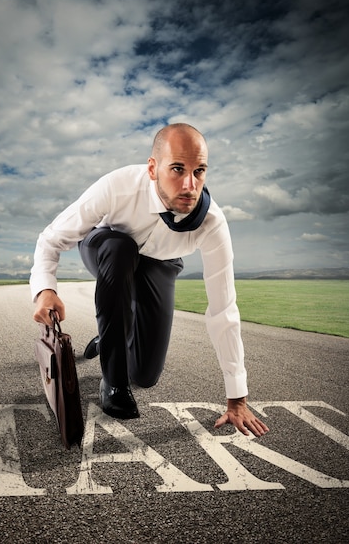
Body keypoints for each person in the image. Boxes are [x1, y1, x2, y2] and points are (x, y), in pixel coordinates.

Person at [31, 123, 269, 437]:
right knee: (121, 249)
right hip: (107, 247)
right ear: (153, 168)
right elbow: (51, 239)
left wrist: (237, 398)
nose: (189, 185)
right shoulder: (117, 186)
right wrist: (45, 290)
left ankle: (110, 336)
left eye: (199, 171)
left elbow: (223, 310)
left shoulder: (211, 223)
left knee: (145, 376)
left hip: (161, 264)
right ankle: (113, 384)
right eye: (177, 169)